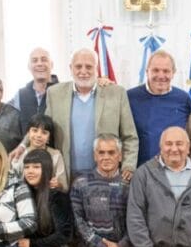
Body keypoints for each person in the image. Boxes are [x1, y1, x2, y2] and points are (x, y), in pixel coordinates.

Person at [46, 48, 138, 181]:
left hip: (106, 177)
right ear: (71, 68)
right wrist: (23, 146)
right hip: (65, 177)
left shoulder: (116, 93)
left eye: (89, 66)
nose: (83, 71)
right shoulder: (54, 94)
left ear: (97, 68)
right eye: (78, 66)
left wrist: (128, 165)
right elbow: (43, 131)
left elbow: (130, 137)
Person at [126, 50, 191, 167]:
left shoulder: (183, 98)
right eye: (156, 70)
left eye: (166, 71)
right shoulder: (129, 97)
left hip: (174, 170)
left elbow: (190, 135)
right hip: (140, 171)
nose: (161, 76)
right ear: (147, 71)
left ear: (173, 73)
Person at [9, 47, 60, 134]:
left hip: (56, 147)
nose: (39, 64)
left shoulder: (63, 92)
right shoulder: (20, 95)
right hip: (28, 147)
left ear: (51, 64)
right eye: (34, 60)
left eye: (44, 60)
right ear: (29, 66)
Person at [14, 113, 69, 191]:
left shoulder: (56, 155)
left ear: (49, 137)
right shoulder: (20, 154)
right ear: (28, 133)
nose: (39, 135)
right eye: (35, 130)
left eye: (44, 132)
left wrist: (58, 184)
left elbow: (64, 187)